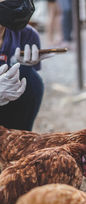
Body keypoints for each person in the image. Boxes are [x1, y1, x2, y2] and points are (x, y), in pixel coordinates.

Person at [0, 0, 53, 131]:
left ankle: (17, 144)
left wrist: (20, 67)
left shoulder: (27, 35)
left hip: (10, 121)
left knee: (30, 78)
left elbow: (30, 91)